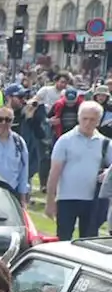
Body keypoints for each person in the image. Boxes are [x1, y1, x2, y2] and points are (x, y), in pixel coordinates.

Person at [47, 102, 111, 241]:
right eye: (85, 118)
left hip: (93, 201)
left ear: (99, 121)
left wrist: (107, 172)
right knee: (63, 239)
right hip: (66, 199)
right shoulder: (65, 140)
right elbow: (54, 172)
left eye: (92, 119)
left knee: (89, 241)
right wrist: (50, 200)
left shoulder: (105, 143)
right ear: (78, 118)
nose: (88, 123)